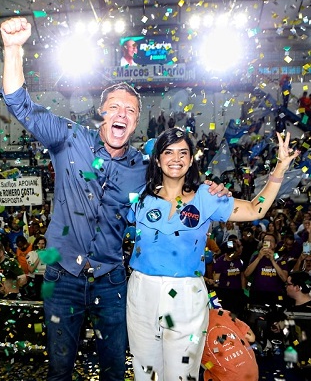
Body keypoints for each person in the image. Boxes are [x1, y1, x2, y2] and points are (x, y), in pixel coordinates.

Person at [0, 17, 229, 381]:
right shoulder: (68, 138)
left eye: (130, 111)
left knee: (113, 371)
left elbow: (180, 178)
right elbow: (20, 104)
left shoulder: (145, 168)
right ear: (101, 114)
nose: (122, 114)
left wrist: (211, 189)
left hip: (111, 283)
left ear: (136, 122)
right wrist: (13, 50)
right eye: (115, 108)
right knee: (59, 370)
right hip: (62, 279)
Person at [126, 128, 299, 380]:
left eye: (183, 152)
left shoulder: (208, 195)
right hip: (142, 289)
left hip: (186, 293)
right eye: (168, 152)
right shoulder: (139, 195)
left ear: (191, 158)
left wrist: (280, 168)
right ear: (157, 158)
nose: (176, 158)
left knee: (182, 373)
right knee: (146, 371)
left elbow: (254, 210)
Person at [201, 308, 258, 381]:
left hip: (227, 378)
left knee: (206, 364)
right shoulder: (223, 313)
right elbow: (251, 337)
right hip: (251, 375)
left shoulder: (190, 332)